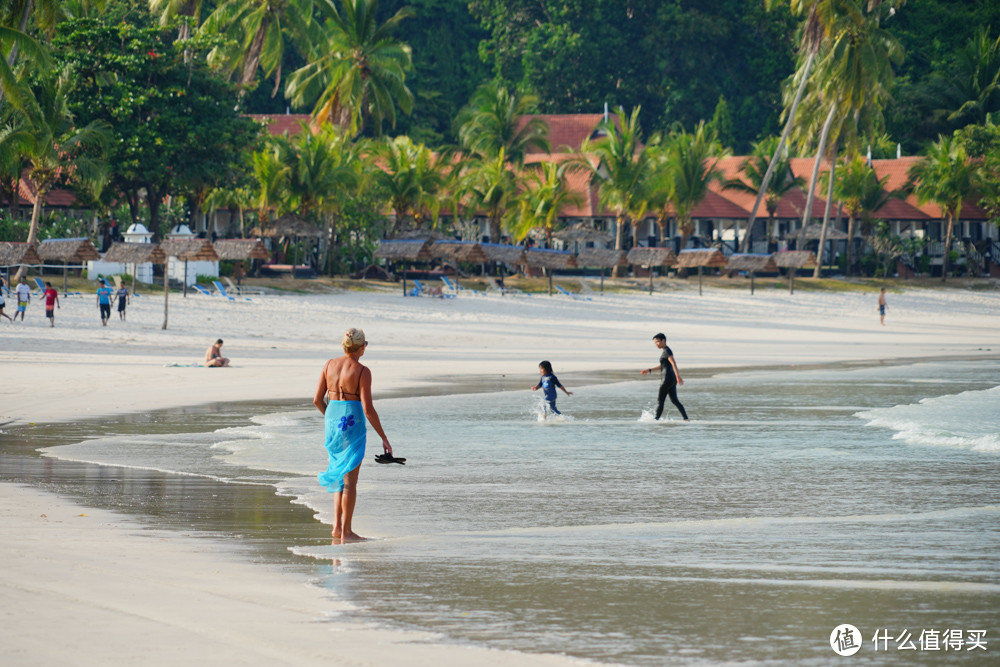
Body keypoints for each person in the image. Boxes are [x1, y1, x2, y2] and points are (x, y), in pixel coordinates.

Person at [313, 328, 392, 543]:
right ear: (361, 347)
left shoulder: (329, 364)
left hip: (333, 422)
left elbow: (317, 400)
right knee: (350, 481)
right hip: (352, 422)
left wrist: (331, 419)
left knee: (339, 475)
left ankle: (337, 528)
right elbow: (368, 409)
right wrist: (384, 437)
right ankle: (347, 532)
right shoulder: (362, 371)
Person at [640, 333, 689, 421]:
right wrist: (649, 370)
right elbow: (663, 366)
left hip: (666, 380)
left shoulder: (667, 351)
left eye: (658, 342)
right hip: (671, 380)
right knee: (674, 401)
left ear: (663, 340)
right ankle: (686, 419)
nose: (656, 344)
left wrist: (678, 376)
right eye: (655, 343)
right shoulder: (666, 351)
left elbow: (673, 363)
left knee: (660, 401)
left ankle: (655, 420)